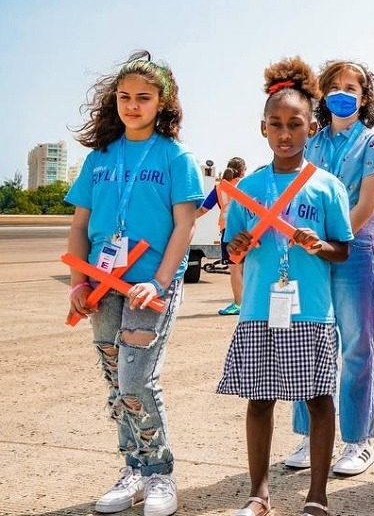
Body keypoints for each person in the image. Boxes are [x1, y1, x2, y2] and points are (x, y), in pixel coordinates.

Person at [65, 51, 203, 516]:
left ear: (162, 103)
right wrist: (77, 282)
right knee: (113, 381)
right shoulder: (99, 157)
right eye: (124, 97)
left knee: (136, 379)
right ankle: (133, 469)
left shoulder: (175, 156)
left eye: (143, 98)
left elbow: (184, 226)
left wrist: (161, 284)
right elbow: (80, 225)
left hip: (149, 284)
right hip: (103, 285)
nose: (132, 105)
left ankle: (160, 473)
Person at [217, 57, 353, 516]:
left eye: (295, 124)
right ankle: (259, 493)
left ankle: (317, 494)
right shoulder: (247, 190)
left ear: (312, 128)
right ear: (262, 129)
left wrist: (320, 246)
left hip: (312, 312)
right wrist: (235, 245)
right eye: (275, 124)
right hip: (259, 309)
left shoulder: (327, 187)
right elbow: (231, 251)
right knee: (259, 400)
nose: (285, 133)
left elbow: (344, 250)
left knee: (318, 400)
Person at [284, 59, 374, 475]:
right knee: (307, 342)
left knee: (357, 346)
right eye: (335, 85)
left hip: (353, 250)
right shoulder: (309, 140)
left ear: (364, 99)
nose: (343, 92)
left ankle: (358, 440)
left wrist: (333, 239)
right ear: (322, 94)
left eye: (353, 87)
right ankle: (310, 434)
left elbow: (367, 203)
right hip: (308, 253)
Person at [196, 156, 247, 314]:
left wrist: (182, 220)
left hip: (228, 232)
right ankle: (250, 304)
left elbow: (203, 209)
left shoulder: (219, 188)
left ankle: (238, 304)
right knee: (248, 269)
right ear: (243, 171)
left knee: (235, 270)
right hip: (248, 232)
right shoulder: (246, 184)